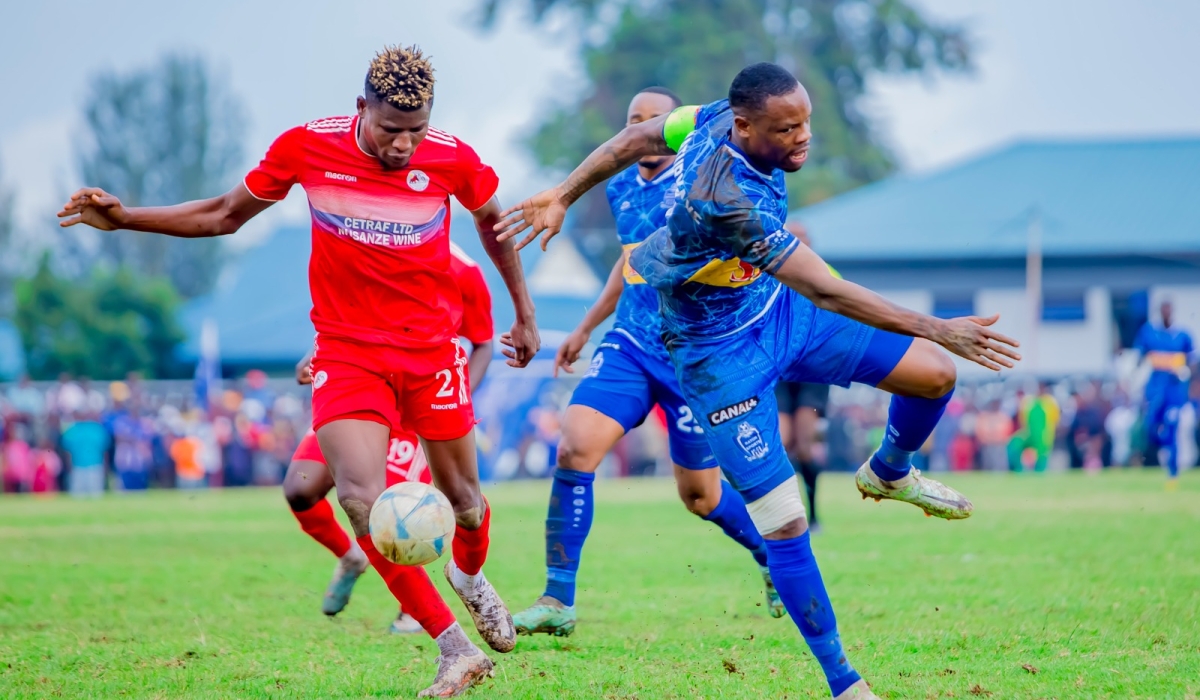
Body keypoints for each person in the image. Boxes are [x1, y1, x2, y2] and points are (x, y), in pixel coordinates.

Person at [495, 62, 1020, 700]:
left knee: (935, 376)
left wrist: (562, 192)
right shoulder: (724, 203)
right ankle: (845, 684)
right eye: (787, 129)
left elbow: (633, 140)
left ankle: (888, 471)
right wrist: (939, 324)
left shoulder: (712, 114)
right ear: (746, 126)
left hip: (778, 315)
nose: (803, 139)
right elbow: (828, 289)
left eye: (805, 123)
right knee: (784, 522)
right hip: (720, 359)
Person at [58, 45, 540, 697]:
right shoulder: (307, 149)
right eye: (390, 130)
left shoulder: (452, 157)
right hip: (348, 352)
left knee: (469, 507)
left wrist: (524, 313)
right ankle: (452, 647)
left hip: (431, 356)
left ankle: (471, 579)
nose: (403, 146)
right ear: (360, 107)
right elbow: (225, 215)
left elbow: (496, 228)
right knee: (358, 497)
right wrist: (127, 219)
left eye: (416, 131)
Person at [512, 88, 785, 639]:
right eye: (631, 118)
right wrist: (588, 326)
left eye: (651, 119)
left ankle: (768, 552)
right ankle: (557, 598)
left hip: (694, 354)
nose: (640, 128)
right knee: (574, 444)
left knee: (700, 497)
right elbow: (630, 260)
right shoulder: (618, 187)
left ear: (672, 125)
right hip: (633, 343)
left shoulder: (702, 177)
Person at [283, 240, 494, 637]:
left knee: (395, 510)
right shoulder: (364, 238)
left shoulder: (463, 269)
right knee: (299, 489)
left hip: (414, 406)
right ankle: (350, 558)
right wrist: (314, 354)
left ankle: (414, 609)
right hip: (356, 390)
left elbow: (482, 340)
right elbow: (344, 315)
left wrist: (456, 404)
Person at [775, 222, 836, 533]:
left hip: (813, 371)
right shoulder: (767, 276)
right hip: (780, 370)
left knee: (806, 444)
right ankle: (783, 515)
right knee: (781, 441)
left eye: (802, 240)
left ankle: (813, 515)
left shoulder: (825, 274)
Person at [1134, 300, 1195, 488]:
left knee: (1173, 426)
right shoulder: (1150, 332)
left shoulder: (1183, 335)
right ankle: (1162, 444)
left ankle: (1173, 473)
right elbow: (1139, 355)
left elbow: (1193, 360)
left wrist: (1187, 372)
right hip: (1154, 391)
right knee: (1150, 427)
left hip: (1174, 393)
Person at [60, 412, 110, 497]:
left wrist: (105, 467)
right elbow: (67, 452)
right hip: (80, 467)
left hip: (94, 466)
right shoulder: (72, 430)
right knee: (83, 496)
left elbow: (105, 451)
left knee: (91, 495)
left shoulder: (96, 429)